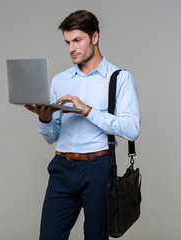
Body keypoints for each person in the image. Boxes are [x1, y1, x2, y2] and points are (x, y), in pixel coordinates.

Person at [25, 10, 140, 240]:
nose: (71, 49)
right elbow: (51, 136)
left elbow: (132, 129)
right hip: (62, 168)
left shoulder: (119, 78)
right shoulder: (60, 80)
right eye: (67, 42)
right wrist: (45, 118)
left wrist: (88, 111)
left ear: (94, 37)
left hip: (98, 169)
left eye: (77, 40)